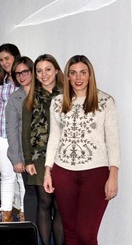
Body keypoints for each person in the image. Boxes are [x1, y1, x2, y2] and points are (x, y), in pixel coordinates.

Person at [44, 55, 119, 245]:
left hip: (96, 173)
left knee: (87, 233)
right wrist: (47, 171)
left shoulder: (105, 101)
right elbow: (54, 138)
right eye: (73, 73)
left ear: (90, 75)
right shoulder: (57, 102)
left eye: (83, 73)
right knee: (70, 232)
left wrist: (114, 175)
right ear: (67, 76)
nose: (78, 78)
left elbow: (112, 141)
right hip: (63, 172)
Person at [22, 54, 64, 245]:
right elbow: (25, 132)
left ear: (56, 70)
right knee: (45, 203)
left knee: (60, 206)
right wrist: (28, 160)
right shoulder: (30, 98)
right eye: (39, 70)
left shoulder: (68, 96)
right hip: (39, 157)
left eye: (48, 69)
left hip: (63, 157)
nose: (44, 74)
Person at [0, 43, 24, 222]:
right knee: (7, 176)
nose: (4, 63)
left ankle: (24, 213)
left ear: (15, 57)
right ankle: (6, 214)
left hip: (21, 136)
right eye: (1, 60)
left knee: (22, 178)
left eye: (7, 58)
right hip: (2, 135)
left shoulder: (25, 79)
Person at [5, 56, 38, 225]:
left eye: (25, 71)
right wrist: (17, 159)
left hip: (46, 154)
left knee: (49, 197)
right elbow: (11, 130)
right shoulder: (14, 98)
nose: (21, 76)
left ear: (32, 71)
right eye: (18, 73)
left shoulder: (45, 93)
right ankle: (32, 231)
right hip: (26, 155)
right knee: (30, 192)